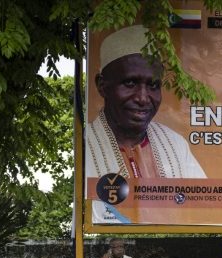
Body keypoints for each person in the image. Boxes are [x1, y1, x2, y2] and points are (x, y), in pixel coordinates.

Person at [86, 24, 206, 179]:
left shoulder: (175, 144)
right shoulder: (85, 145)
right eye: (130, 83)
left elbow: (202, 202)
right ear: (102, 86)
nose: (142, 98)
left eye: (153, 85)